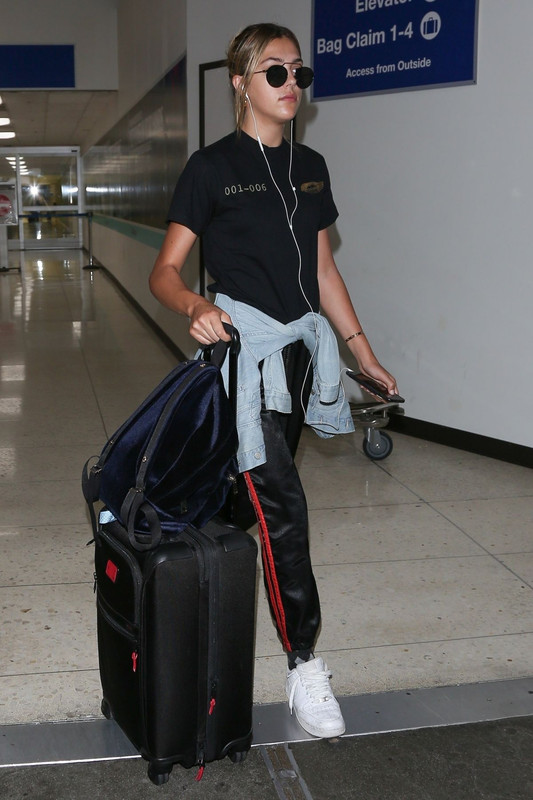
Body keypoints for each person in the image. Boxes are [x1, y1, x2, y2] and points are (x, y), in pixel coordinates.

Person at [149, 22, 399, 739]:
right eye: (274, 73)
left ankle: (200, 620)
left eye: (299, 74)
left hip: (298, 359)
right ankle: (304, 666)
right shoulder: (210, 167)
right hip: (243, 361)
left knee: (243, 501)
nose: (291, 86)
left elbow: (321, 272)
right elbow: (163, 272)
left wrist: (361, 352)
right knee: (283, 507)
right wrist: (196, 305)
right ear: (240, 83)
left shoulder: (311, 166)